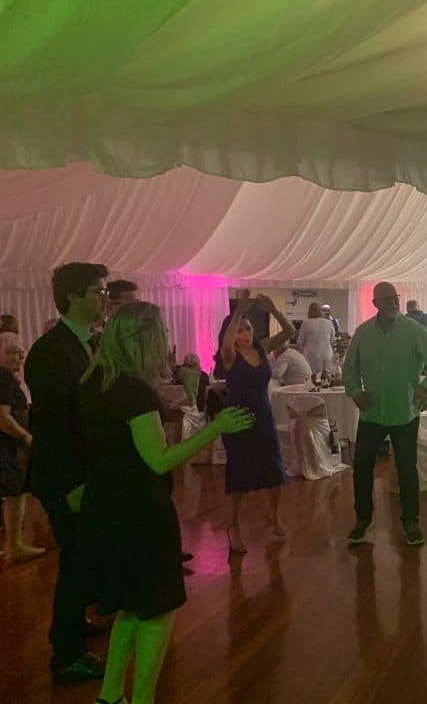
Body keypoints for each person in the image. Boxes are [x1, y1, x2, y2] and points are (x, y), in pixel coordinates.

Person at [78, 302, 253, 704]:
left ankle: (110, 696)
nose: (167, 342)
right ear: (146, 339)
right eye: (162, 334)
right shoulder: (133, 391)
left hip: (106, 506)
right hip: (140, 512)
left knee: (129, 605)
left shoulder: (94, 381)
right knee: (158, 609)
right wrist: (216, 427)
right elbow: (159, 460)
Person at [24, 261, 108, 683]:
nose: (104, 299)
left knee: (84, 557)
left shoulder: (85, 343)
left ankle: (74, 623)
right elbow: (53, 427)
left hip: (82, 471)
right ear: (72, 296)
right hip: (64, 476)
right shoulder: (51, 352)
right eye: (98, 292)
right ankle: (66, 653)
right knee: (75, 560)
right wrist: (74, 484)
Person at [343, 281, 427, 547]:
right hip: (372, 414)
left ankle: (411, 522)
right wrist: (355, 392)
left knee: (407, 470)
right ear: (375, 303)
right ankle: (362, 518)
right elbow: (349, 368)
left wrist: (426, 386)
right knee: (361, 468)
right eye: (386, 298)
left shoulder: (414, 330)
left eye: (395, 297)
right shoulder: (363, 333)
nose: (393, 302)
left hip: (404, 413)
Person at [215, 290, 294, 554]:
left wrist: (274, 311)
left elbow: (289, 331)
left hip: (263, 415)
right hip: (238, 419)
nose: (244, 334)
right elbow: (227, 344)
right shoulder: (229, 355)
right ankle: (233, 525)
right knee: (239, 473)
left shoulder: (261, 348)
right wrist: (239, 311)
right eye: (239, 330)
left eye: (247, 328)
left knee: (274, 468)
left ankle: (274, 514)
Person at [0, 332, 44, 562]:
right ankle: (14, 546)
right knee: (15, 494)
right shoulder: (3, 378)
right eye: (11, 353)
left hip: (9, 447)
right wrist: (26, 436)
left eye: (20, 353)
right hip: (8, 448)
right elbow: (2, 417)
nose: (18, 357)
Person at [297, 302, 338, 374]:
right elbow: (333, 341)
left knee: (311, 376)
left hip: (310, 355)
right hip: (326, 354)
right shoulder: (328, 323)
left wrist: (302, 355)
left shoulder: (306, 323)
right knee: (326, 375)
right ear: (320, 311)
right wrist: (335, 354)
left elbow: (300, 342)